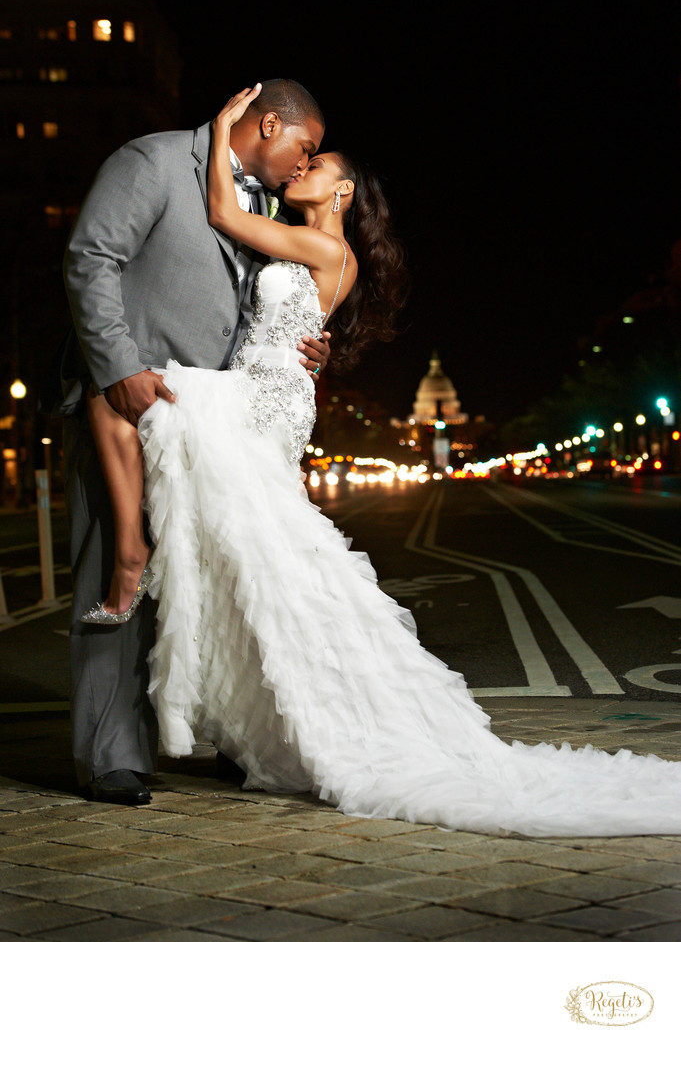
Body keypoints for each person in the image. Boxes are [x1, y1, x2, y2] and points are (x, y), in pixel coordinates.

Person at [112, 85, 681, 837]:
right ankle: (272, 693)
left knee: (145, 420)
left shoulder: (322, 244)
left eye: (317, 166)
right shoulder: (299, 235)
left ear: (342, 190)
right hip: (269, 390)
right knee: (267, 550)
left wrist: (221, 128)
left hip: (263, 398)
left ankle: (133, 558)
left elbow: (221, 214)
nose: (302, 168)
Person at [62, 78, 329, 806]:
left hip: (221, 423)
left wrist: (301, 348)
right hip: (133, 407)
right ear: (268, 124)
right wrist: (119, 370)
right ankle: (110, 751)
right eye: (302, 148)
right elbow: (91, 259)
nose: (304, 165)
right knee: (124, 569)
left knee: (217, 583)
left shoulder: (267, 204)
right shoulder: (151, 161)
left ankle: (230, 735)